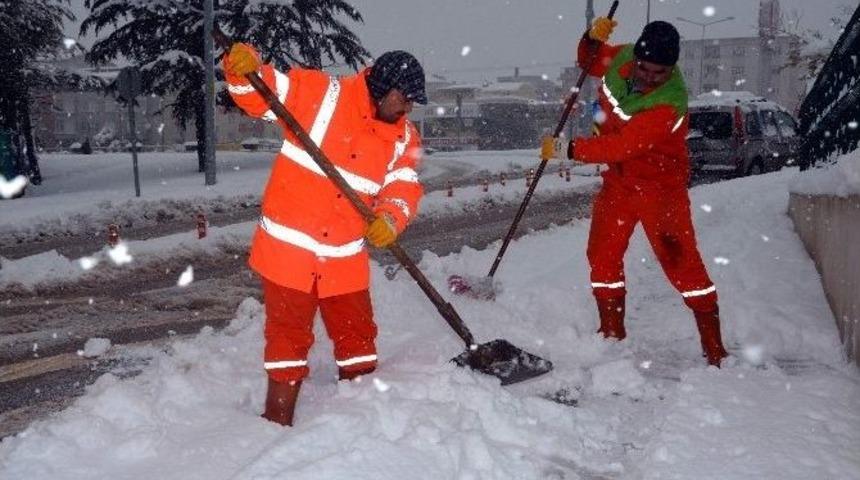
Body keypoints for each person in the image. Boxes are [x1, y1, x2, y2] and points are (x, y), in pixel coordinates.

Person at [222, 44, 426, 425]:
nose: (408, 108)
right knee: (287, 340)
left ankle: (360, 419)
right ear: (383, 88)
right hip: (289, 250)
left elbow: (404, 186)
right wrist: (243, 69)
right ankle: (276, 422)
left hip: (343, 256)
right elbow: (262, 94)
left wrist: (390, 219)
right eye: (405, 98)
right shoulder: (323, 95)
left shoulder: (404, 138)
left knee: (358, 339)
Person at [541, 19, 728, 367]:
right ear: (637, 57)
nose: (649, 77)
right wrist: (591, 39)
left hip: (660, 190)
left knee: (682, 266)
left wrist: (569, 150)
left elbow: (624, 145)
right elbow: (589, 61)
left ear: (671, 69)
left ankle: (714, 346)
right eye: (644, 68)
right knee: (602, 255)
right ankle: (611, 334)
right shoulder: (624, 57)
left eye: (659, 72)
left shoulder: (669, 102)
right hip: (620, 184)